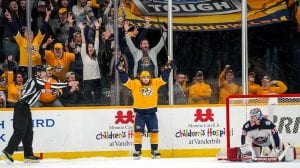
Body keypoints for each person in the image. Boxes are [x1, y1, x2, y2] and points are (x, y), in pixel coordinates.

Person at [0, 74, 67, 164]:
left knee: (29, 132)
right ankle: (8, 151)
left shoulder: (34, 82)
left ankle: (28, 155)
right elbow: (51, 85)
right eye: (43, 74)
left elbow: (45, 89)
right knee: (19, 131)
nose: (46, 77)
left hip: (25, 107)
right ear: (38, 74)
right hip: (22, 107)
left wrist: (53, 92)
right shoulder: (36, 80)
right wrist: (68, 84)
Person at [118, 65, 171, 159]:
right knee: (138, 132)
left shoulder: (155, 82)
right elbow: (126, 81)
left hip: (152, 114)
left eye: (147, 77)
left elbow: (163, 80)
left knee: (154, 132)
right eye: (143, 77)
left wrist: (167, 69)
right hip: (140, 114)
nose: (146, 79)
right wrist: (121, 71)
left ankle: (154, 150)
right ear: (140, 78)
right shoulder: (135, 84)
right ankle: (137, 151)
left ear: (150, 78)